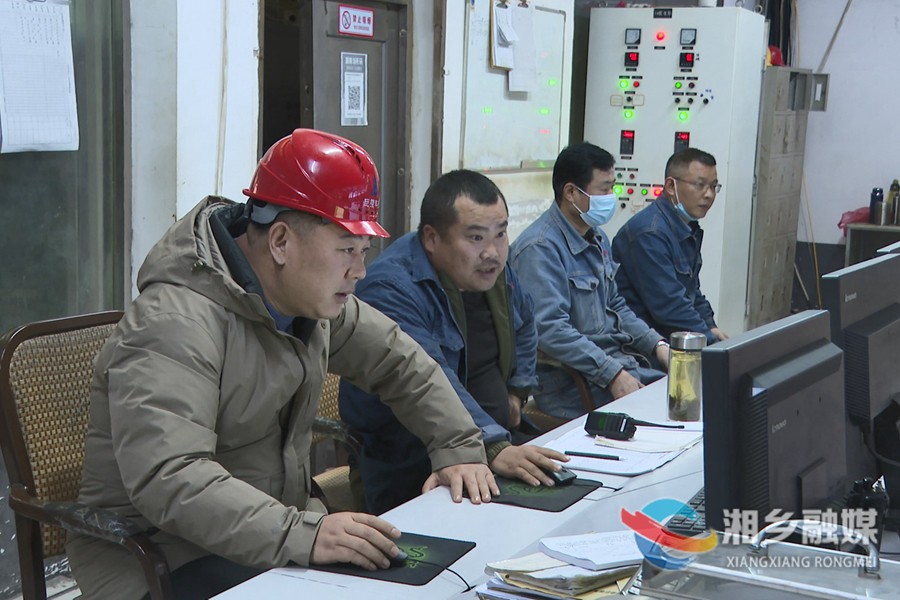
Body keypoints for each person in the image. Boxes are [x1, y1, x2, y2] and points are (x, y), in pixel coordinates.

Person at [66, 129, 499, 600]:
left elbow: (398, 360)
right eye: (346, 249)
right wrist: (303, 533)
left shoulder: (309, 303)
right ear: (280, 242)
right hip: (163, 556)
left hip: (269, 535)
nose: (360, 271)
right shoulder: (175, 322)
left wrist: (458, 445)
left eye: (363, 251)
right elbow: (171, 478)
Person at [339, 169, 568, 515]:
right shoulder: (392, 288)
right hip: (414, 456)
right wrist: (489, 445)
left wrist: (517, 392)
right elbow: (428, 376)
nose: (492, 252)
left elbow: (525, 322)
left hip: (495, 440)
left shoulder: (493, 271)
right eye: (475, 238)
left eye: (501, 234)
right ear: (432, 238)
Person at [510, 142, 669, 420]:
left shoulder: (597, 237)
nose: (611, 197)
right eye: (604, 189)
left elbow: (616, 306)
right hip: (571, 384)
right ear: (571, 192)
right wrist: (612, 374)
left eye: (612, 188)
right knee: (664, 413)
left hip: (616, 365)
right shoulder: (539, 248)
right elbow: (550, 329)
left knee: (690, 395)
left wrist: (658, 346)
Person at [612, 148, 728, 346]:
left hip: (671, 336)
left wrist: (710, 326)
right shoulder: (650, 233)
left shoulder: (687, 226)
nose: (709, 194)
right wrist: (709, 343)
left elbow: (691, 291)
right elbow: (670, 307)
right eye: (700, 185)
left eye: (713, 186)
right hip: (643, 344)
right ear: (670, 186)